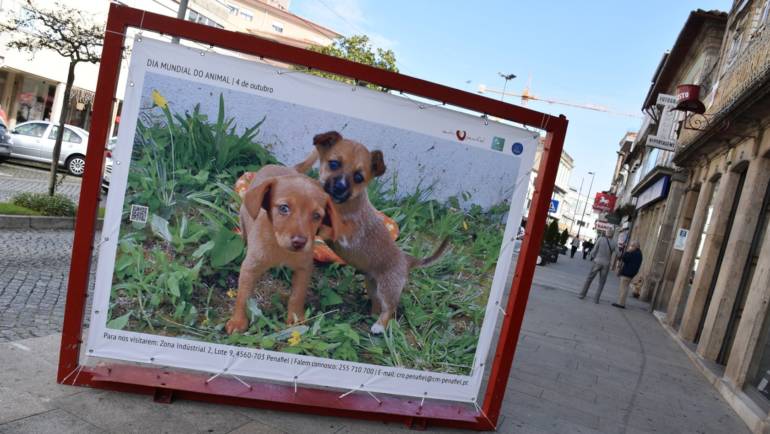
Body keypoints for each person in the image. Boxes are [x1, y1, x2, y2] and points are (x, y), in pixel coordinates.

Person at [579, 230, 616, 303]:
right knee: (602, 282)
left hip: (597, 261)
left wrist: (592, 256)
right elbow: (618, 254)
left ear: (606, 233)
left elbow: (594, 250)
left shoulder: (601, 239)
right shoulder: (614, 243)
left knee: (589, 279)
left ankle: (582, 294)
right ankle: (596, 299)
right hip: (606, 264)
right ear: (612, 235)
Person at [612, 240, 643, 309]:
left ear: (635, 246)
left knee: (623, 288)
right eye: (630, 245)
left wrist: (628, 251)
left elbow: (624, 258)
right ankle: (621, 302)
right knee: (624, 288)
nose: (630, 247)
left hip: (627, 273)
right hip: (630, 273)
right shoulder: (639, 253)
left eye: (632, 246)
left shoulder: (634, 253)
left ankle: (620, 303)